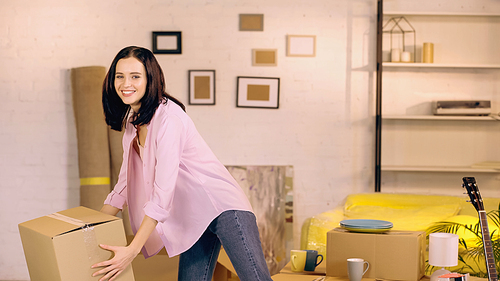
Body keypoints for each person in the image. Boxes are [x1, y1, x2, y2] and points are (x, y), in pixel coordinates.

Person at [91, 46, 273, 281]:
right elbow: (124, 187)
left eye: (135, 76)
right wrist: (88, 229)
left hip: (223, 207)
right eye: (120, 76)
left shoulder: (169, 119)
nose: (126, 83)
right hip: (193, 216)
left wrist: (132, 250)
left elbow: (162, 194)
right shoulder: (132, 124)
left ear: (150, 79)